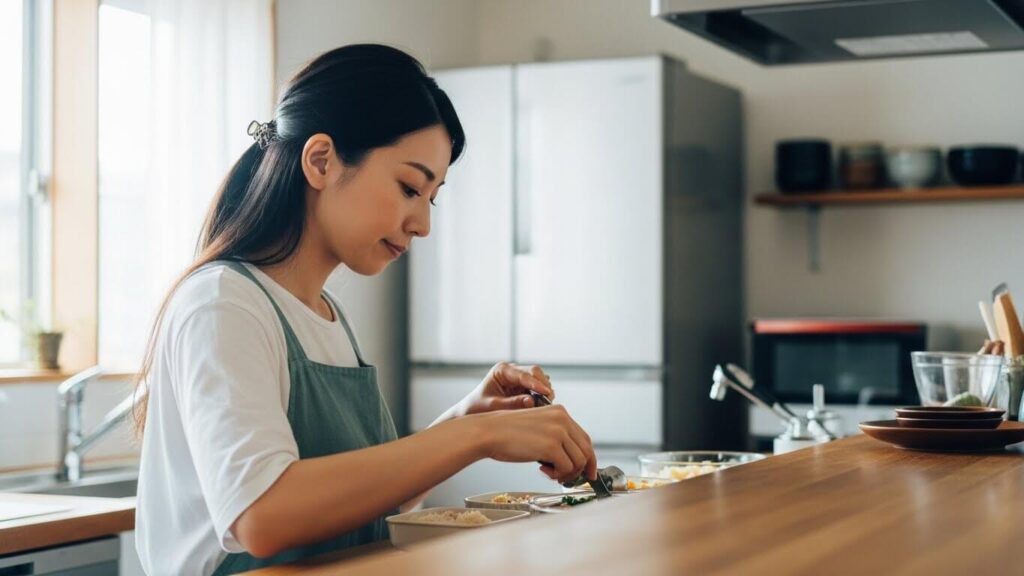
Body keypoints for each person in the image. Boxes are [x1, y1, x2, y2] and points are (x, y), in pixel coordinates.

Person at [133, 44, 597, 575]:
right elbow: (261, 516)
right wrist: (474, 437)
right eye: (408, 188)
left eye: (431, 198)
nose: (422, 223)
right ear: (322, 161)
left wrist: (467, 418)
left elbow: (368, 504)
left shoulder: (325, 315)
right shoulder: (223, 304)